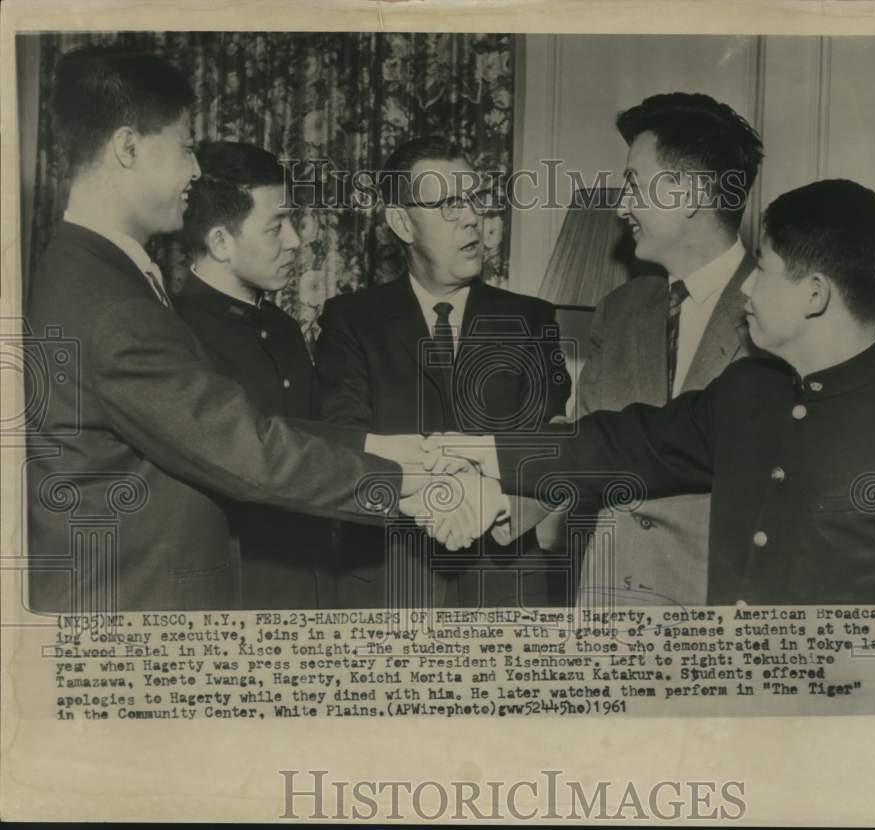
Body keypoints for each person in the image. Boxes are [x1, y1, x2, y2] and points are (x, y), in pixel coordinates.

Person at [418, 179, 875, 606]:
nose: (746, 286)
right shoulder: (749, 389)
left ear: (815, 295)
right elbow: (625, 443)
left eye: (763, 270)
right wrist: (485, 451)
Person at [25, 47, 407, 613]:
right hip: (137, 612)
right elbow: (242, 447)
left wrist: (387, 452)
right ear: (128, 148)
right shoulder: (112, 305)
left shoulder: (89, 272)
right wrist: (409, 485)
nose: (196, 171)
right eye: (185, 147)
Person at [314, 135, 571, 608]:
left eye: (474, 199)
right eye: (449, 205)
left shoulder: (532, 318)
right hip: (388, 579)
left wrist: (484, 494)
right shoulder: (350, 319)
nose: (471, 217)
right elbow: (345, 438)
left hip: (505, 580)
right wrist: (433, 497)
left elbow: (549, 436)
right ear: (401, 222)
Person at [535, 92, 764, 607]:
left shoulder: (780, 312)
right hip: (607, 607)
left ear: (689, 195)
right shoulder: (618, 311)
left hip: (719, 618)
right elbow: (581, 451)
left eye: (634, 185)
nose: (621, 207)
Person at [174, 141, 336, 609]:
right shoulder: (173, 333)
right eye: (275, 226)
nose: (295, 240)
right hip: (234, 595)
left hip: (313, 583)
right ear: (221, 242)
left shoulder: (283, 328)